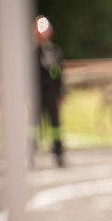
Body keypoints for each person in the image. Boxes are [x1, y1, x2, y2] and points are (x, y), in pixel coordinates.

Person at [33, 15, 65, 166]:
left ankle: (58, 152)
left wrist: (60, 93)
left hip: (51, 93)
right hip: (36, 94)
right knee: (33, 126)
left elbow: (58, 74)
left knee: (55, 124)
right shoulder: (32, 54)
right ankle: (30, 153)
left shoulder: (54, 52)